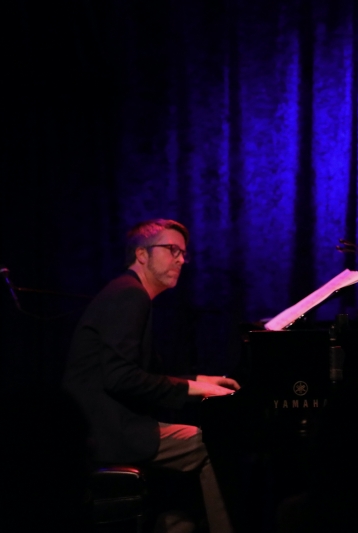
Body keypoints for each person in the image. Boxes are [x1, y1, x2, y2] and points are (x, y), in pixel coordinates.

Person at [63, 219, 239, 533]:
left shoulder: (126, 292)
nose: (181, 260)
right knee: (206, 442)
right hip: (107, 429)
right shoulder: (130, 295)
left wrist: (202, 379)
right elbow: (121, 378)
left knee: (196, 439)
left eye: (183, 253)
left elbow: (143, 374)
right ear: (142, 255)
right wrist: (195, 388)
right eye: (172, 250)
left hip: (105, 423)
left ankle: (175, 523)